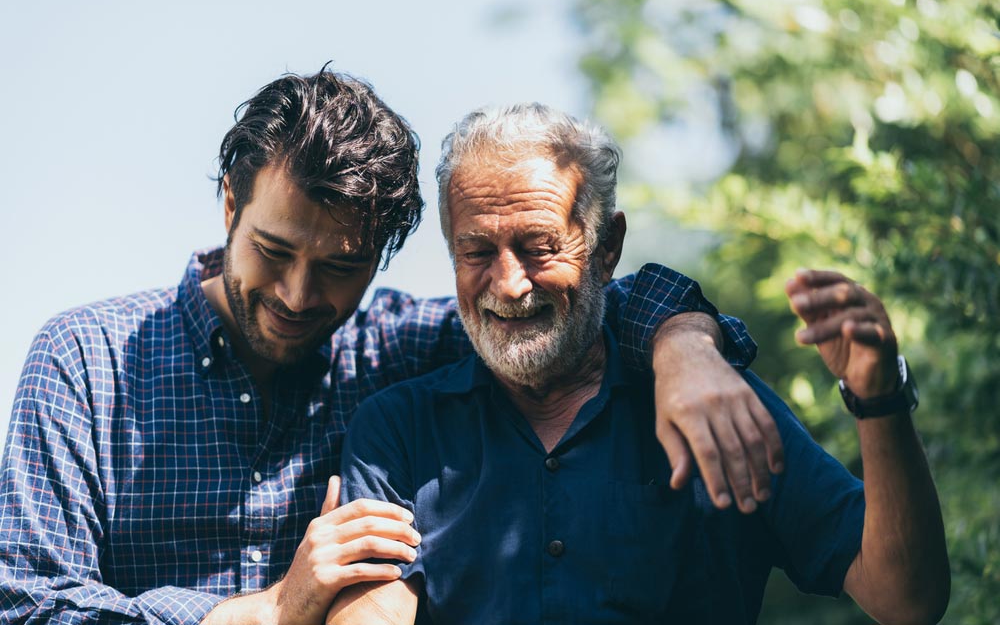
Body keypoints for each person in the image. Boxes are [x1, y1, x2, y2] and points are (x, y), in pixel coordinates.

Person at [0, 69, 780, 625]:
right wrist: (269, 612)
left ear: (383, 255)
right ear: (230, 202)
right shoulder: (85, 362)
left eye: (340, 267)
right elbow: (27, 604)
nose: (300, 296)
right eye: (274, 251)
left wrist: (686, 346)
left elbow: (573, 303)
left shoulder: (400, 351)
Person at [329, 103, 950, 624]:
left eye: (539, 247)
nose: (509, 283)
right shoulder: (397, 430)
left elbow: (907, 598)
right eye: (476, 251)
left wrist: (879, 397)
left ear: (607, 248)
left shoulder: (716, 401)